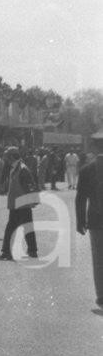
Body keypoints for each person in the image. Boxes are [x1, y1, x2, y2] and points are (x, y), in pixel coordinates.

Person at [75, 131, 103, 307]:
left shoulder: (86, 170)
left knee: (99, 258)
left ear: (94, 147)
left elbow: (80, 198)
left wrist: (80, 221)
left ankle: (101, 295)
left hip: (96, 221)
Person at [0, 147, 38, 261]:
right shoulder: (16, 168)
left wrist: (32, 200)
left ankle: (6, 252)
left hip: (20, 204)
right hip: (19, 204)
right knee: (28, 227)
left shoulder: (22, 169)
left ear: (12, 157)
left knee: (10, 229)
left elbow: (30, 186)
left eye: (7, 157)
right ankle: (32, 250)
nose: (6, 159)